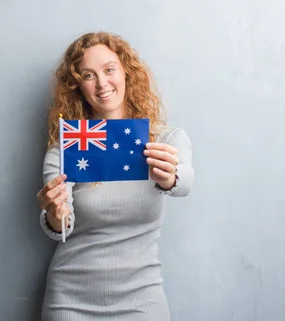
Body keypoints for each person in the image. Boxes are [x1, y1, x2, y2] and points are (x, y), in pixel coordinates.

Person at [35, 31, 194, 320]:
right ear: (78, 87)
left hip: (142, 299)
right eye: (88, 75)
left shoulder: (165, 140)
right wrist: (55, 213)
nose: (102, 83)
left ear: (126, 73)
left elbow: (185, 182)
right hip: (70, 301)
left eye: (109, 70)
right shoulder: (68, 147)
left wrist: (171, 177)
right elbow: (60, 225)